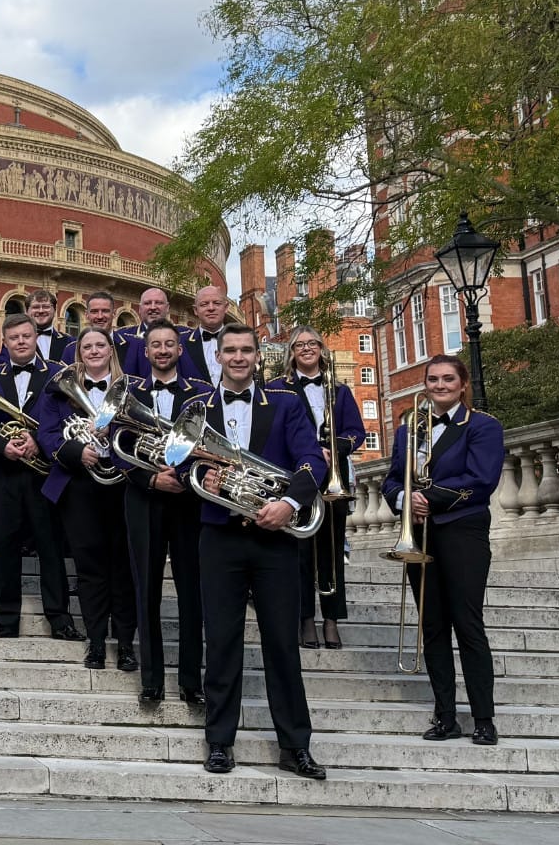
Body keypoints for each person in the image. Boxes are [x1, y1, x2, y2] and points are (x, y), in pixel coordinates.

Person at [182, 324, 327, 780]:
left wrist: (289, 503)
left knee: (282, 644)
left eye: (247, 350)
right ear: (218, 357)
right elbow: (178, 458)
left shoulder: (286, 403)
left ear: (258, 356)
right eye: (231, 351)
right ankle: (219, 742)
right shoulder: (196, 408)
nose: (239, 357)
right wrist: (197, 477)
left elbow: (313, 461)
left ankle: (295, 746)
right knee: (222, 642)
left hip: (275, 540)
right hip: (219, 537)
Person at [387, 354, 506, 746]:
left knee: (468, 625)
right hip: (419, 534)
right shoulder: (408, 429)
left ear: (463, 384)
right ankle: (445, 716)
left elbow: (482, 479)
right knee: (432, 626)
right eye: (433, 379)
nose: (439, 385)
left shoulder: (483, 426)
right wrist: (405, 498)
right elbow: (391, 481)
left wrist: (428, 499)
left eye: (448, 379)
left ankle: (483, 718)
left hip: (462, 532)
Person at [0, 314, 80, 641]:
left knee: (50, 547)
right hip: (5, 474)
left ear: (36, 337)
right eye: (13, 338)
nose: (20, 342)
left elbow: (70, 420)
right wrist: (1, 446)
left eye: (25, 336)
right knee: (4, 547)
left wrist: (41, 442)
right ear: (4, 343)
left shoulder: (57, 375)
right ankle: (5, 619)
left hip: (44, 476)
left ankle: (60, 619)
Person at [121, 323, 210, 704]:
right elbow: (115, 447)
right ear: (145, 351)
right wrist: (152, 479)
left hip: (190, 501)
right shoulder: (128, 393)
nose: (162, 350)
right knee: (146, 590)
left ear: (179, 349)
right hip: (145, 498)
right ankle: (151, 680)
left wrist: (185, 478)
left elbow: (215, 450)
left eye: (169, 344)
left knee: (193, 592)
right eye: (155, 344)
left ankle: (191, 681)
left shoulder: (203, 394)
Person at [36, 327, 135, 670]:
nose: (94, 351)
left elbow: (147, 434)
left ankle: (124, 644)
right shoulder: (59, 391)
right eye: (87, 346)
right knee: (89, 567)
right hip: (79, 487)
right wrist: (77, 451)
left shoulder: (130, 389)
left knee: (123, 567)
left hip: (122, 485)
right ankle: (95, 641)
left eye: (100, 345)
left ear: (111, 350)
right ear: (79, 353)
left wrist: (115, 431)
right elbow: (46, 433)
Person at [267, 327, 364, 649]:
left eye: (313, 343)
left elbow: (356, 433)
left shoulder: (339, 389)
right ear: (291, 351)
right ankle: (305, 618)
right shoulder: (277, 389)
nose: (306, 349)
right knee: (298, 550)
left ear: (322, 349)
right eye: (299, 345)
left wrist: (333, 447)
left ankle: (332, 619)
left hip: (330, 477)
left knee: (332, 549)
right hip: (294, 477)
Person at [178, 286, 231, 384]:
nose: (211, 308)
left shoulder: (242, 342)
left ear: (226, 307)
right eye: (204, 304)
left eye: (217, 303)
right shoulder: (180, 343)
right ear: (195, 310)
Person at [24, 290, 73, 363]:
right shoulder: (14, 342)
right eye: (35, 307)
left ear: (55, 310)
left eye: (46, 307)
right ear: (27, 311)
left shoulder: (70, 342)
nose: (41, 311)